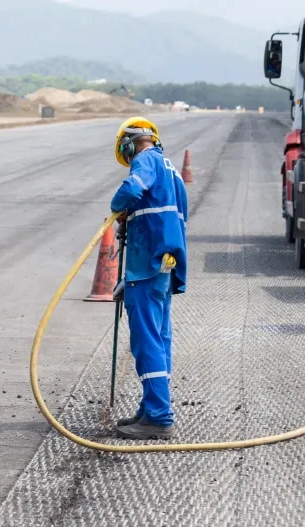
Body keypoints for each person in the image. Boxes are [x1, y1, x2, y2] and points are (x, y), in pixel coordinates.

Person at [109, 117, 188, 440]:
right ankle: (151, 406)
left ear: (129, 144)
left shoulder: (145, 160)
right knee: (159, 337)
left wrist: (117, 208)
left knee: (146, 341)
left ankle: (158, 416)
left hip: (148, 265)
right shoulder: (172, 171)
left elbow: (132, 187)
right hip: (164, 264)